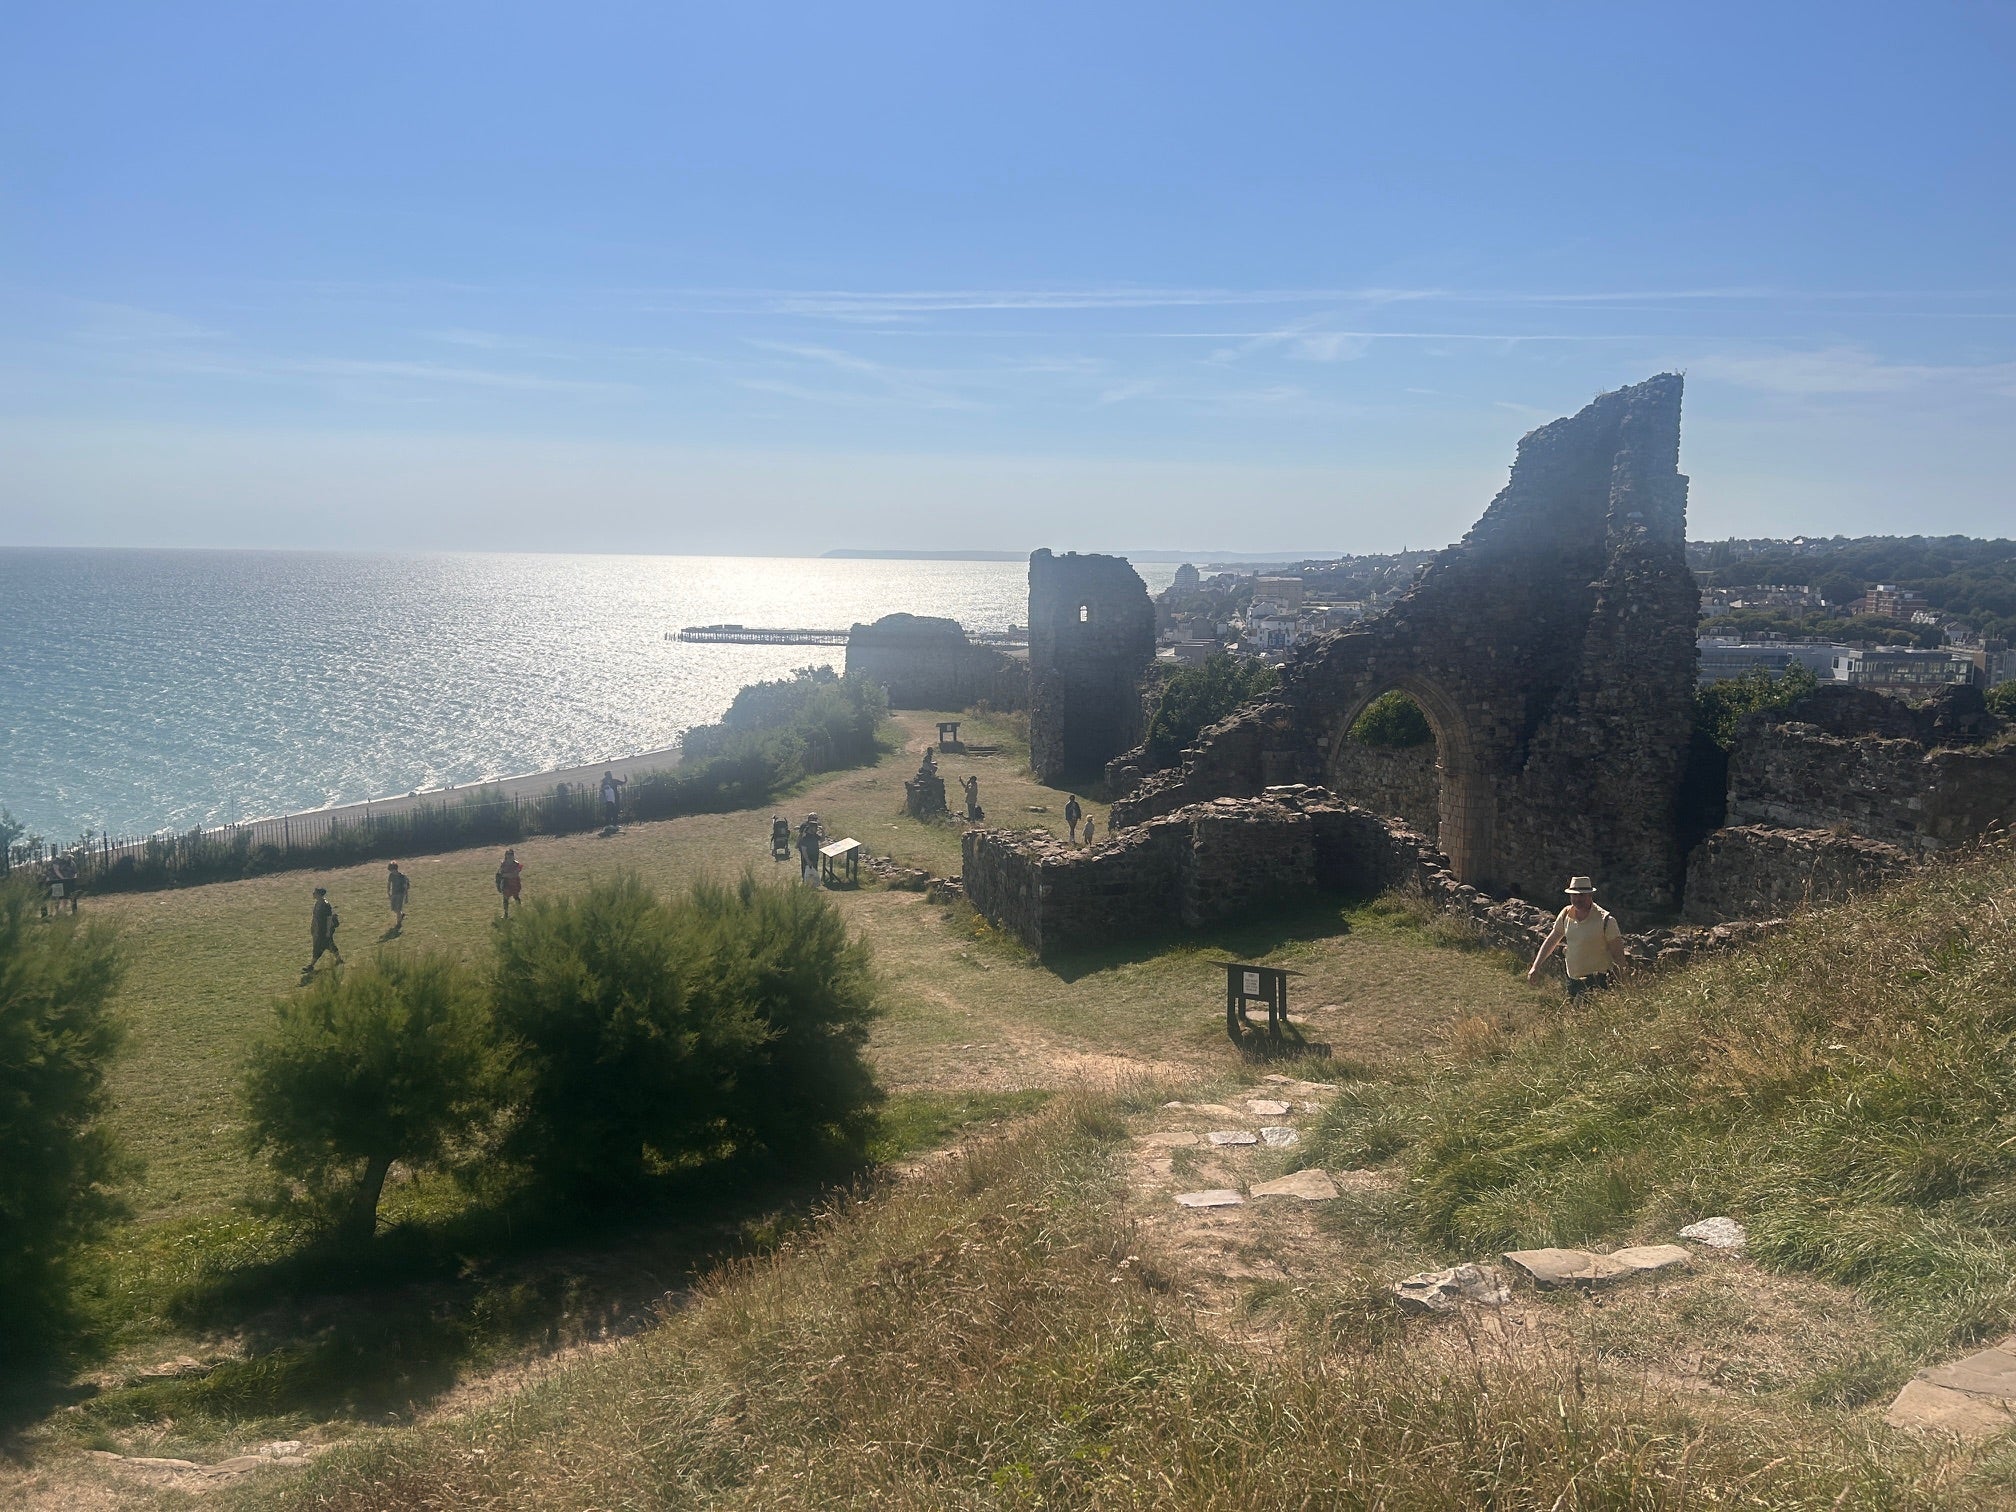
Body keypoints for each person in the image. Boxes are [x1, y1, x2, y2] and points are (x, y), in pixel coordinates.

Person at [1527, 875, 1628, 1000]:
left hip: (1597, 981)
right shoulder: (1566, 914)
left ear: (1590, 895)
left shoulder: (1606, 921)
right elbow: (1552, 940)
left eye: (1581, 895)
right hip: (1572, 980)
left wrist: (1623, 988)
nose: (1577, 899)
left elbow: (1618, 956)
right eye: (1574, 895)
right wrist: (1535, 967)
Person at [309, 887, 343, 972]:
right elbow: (315, 917)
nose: (313, 894)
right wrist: (313, 927)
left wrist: (328, 931)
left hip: (325, 929)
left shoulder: (325, 905)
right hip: (319, 928)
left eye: (315, 892)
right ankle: (339, 959)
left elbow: (329, 919)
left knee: (319, 946)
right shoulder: (317, 904)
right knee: (329, 944)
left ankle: (311, 965)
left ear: (319, 894)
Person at [495, 848, 524, 917]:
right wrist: (498, 884)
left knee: (516, 897)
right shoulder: (503, 864)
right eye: (508, 854)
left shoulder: (517, 864)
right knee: (505, 899)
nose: (509, 856)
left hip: (514, 883)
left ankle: (520, 913)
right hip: (506, 883)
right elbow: (499, 873)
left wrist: (505, 875)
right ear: (506, 855)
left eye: (511, 854)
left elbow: (514, 874)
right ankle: (506, 914)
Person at [386, 862, 410, 933]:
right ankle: (402, 914)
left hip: (400, 894)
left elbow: (405, 887)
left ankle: (399, 924)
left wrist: (406, 897)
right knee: (394, 909)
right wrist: (388, 892)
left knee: (398, 909)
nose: (391, 872)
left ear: (395, 869)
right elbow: (389, 883)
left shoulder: (402, 877)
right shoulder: (391, 875)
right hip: (394, 893)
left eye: (392, 870)